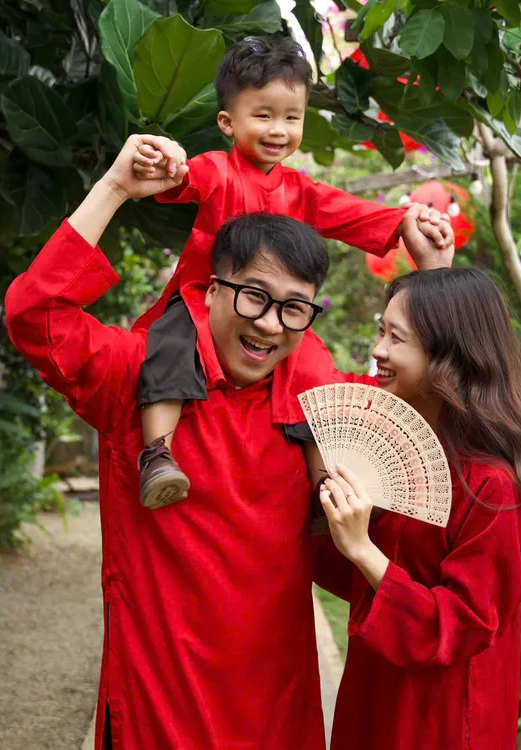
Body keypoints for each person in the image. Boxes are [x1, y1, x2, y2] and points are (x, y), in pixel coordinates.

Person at [4, 134, 449, 749]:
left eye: (294, 308)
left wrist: (435, 276)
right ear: (211, 291)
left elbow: (427, 392)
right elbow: (35, 314)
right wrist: (114, 187)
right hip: (158, 716)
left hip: (277, 717)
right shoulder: (137, 378)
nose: (269, 323)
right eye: (254, 296)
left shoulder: (326, 406)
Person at [127, 34, 453, 509]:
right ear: (227, 122)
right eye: (263, 116)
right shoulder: (217, 170)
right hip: (203, 300)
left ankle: (325, 486)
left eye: (291, 117)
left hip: (279, 314)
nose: (278, 130)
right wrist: (165, 159)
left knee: (315, 371)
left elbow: (351, 212)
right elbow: (182, 177)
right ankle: (158, 455)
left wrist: (406, 221)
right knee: (170, 346)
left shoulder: (301, 190)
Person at [312, 268, 521, 749]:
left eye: (396, 338)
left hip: (445, 713)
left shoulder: (490, 485)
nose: (378, 349)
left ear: (448, 356)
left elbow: (465, 622)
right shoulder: (402, 455)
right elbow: (348, 577)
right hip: (378, 688)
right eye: (381, 330)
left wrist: (364, 550)